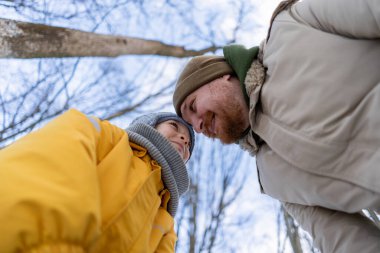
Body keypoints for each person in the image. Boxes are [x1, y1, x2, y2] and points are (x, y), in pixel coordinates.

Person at [172, 0, 380, 251]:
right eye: (191, 124)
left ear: (220, 75)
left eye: (193, 107)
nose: (197, 126)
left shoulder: (293, 25)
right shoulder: (272, 179)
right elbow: (342, 238)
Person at [0, 109, 195, 253]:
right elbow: (45, 166)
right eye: (174, 126)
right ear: (150, 124)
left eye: (187, 143)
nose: (182, 139)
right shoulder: (106, 136)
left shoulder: (166, 219)